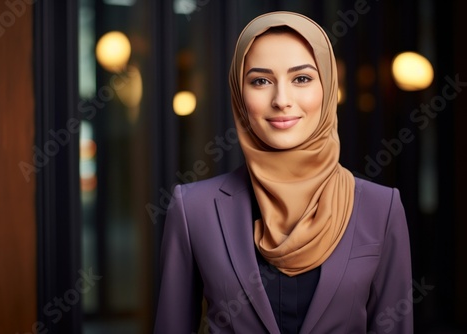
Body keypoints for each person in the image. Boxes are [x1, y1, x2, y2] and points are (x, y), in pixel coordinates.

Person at [154, 11, 413, 334]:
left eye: (301, 78)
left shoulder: (381, 207)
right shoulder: (194, 208)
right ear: (239, 93)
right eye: (260, 81)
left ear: (328, 88)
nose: (281, 100)